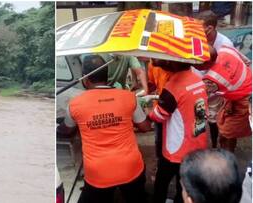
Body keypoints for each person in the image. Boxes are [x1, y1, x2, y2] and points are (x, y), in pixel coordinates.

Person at [62, 55, 151, 203]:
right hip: (130, 167)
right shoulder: (128, 97)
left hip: (98, 173)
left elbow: (67, 130)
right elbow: (145, 127)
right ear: (106, 74)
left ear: (85, 78)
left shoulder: (75, 104)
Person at [148, 59, 208, 203]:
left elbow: (158, 116)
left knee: (162, 181)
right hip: (197, 142)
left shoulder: (173, 87)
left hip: (177, 149)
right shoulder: (198, 80)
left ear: (173, 64)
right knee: (185, 184)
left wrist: (146, 108)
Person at [196, 45, 252, 152]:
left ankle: (227, 160)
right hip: (243, 91)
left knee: (226, 133)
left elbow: (200, 96)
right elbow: (247, 62)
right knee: (227, 127)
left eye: (196, 63)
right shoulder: (226, 49)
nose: (194, 66)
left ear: (205, 63)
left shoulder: (211, 78)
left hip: (245, 101)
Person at [195, 10, 235, 148]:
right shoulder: (196, 39)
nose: (195, 31)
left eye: (199, 27)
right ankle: (200, 146)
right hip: (198, 87)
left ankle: (215, 147)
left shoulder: (226, 45)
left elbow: (228, 74)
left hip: (217, 90)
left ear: (209, 28)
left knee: (215, 121)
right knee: (198, 118)